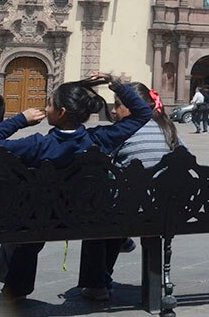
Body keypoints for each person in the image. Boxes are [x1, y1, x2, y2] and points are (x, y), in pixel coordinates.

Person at [0, 73, 152, 300]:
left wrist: (20, 119)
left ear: (61, 113)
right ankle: (97, 284)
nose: (46, 108)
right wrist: (117, 85)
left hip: (45, 218)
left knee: (29, 226)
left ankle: (15, 288)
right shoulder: (99, 139)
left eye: (50, 104)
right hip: (88, 216)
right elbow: (144, 113)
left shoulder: (37, 145)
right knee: (96, 213)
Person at [78, 84, 183, 301]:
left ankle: (97, 285)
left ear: (135, 106)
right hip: (169, 210)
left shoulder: (122, 132)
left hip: (132, 213)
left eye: (118, 105)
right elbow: (186, 159)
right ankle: (121, 238)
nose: (114, 111)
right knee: (123, 204)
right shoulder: (167, 127)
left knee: (97, 216)